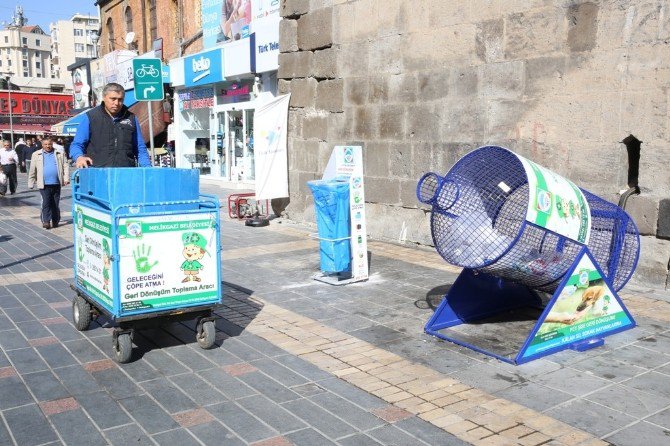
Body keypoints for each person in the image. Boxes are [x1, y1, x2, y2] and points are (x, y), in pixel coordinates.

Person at [69, 82, 151, 168]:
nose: (116, 103)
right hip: (98, 174)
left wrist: (147, 169)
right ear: (104, 98)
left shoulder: (131, 118)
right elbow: (76, 144)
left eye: (120, 99)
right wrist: (79, 157)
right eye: (113, 99)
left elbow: (140, 148)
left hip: (125, 174)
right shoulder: (91, 117)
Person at [28, 137, 70, 229]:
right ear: (42, 145)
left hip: (56, 183)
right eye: (46, 144)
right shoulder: (36, 154)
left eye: (49, 144)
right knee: (46, 202)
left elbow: (65, 166)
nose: (48, 146)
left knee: (55, 203)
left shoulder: (59, 153)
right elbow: (32, 169)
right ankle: (46, 221)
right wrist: (31, 182)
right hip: (44, 183)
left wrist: (66, 178)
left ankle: (55, 220)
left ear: (52, 144)